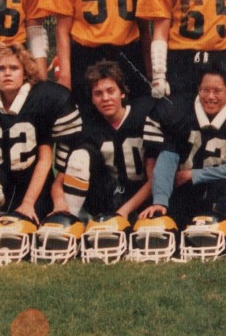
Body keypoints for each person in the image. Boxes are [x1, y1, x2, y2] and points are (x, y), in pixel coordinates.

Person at [0, 44, 81, 225]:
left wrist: (28, 202)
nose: (7, 73)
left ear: (25, 73)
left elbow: (45, 159)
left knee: (31, 221)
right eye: (1, 68)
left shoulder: (41, 100)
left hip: (31, 177)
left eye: (14, 68)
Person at [139, 61, 226, 227]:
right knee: (170, 215)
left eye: (217, 91)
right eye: (205, 90)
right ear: (198, 89)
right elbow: (167, 158)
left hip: (220, 186)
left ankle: (221, 222)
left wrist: (193, 174)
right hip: (185, 188)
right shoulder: (179, 112)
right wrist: (159, 200)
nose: (210, 96)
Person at [53, 60, 156, 221]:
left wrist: (122, 213)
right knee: (79, 158)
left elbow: (154, 179)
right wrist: (60, 203)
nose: (105, 98)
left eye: (111, 91)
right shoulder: (85, 123)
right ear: (92, 99)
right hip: (102, 201)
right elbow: (59, 182)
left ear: (122, 92)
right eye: (98, 93)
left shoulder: (144, 115)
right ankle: (70, 219)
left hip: (142, 201)